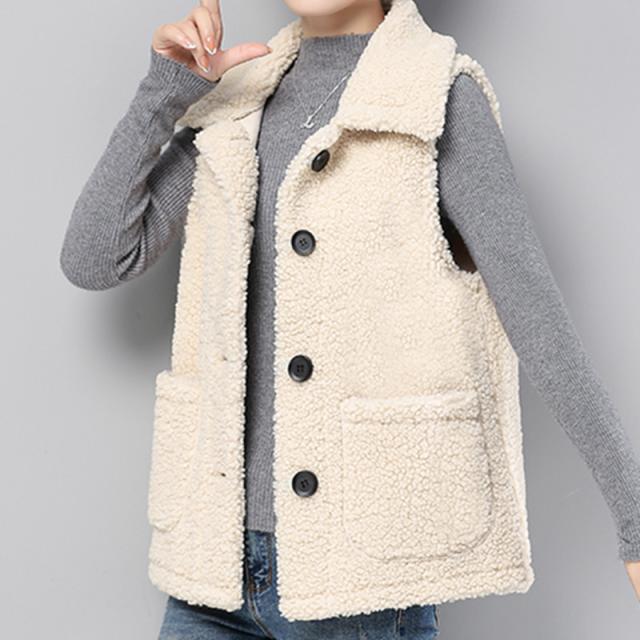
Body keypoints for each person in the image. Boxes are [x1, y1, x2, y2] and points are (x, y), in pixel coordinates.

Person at [59, 0, 640, 637]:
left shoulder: (435, 95)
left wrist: (634, 518)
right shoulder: (236, 102)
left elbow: (537, 317)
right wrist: (165, 91)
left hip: (362, 583)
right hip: (212, 570)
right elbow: (96, 258)